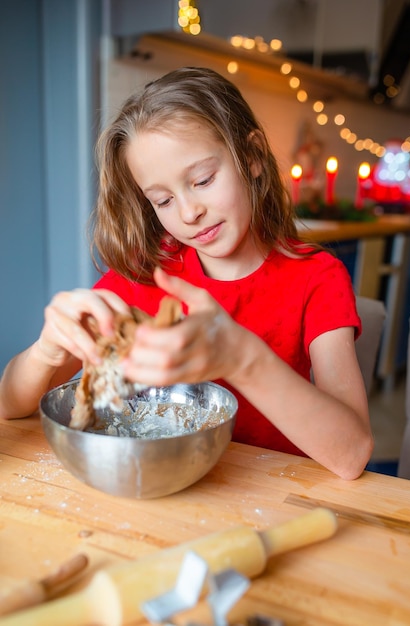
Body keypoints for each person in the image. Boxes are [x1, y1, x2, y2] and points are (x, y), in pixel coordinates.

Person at [0, 67, 373, 480]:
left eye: (203, 179)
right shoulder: (143, 276)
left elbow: (352, 453)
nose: (188, 212)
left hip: (276, 494)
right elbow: (9, 405)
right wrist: (46, 351)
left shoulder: (316, 278)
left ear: (251, 157)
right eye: (162, 200)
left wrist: (242, 358)